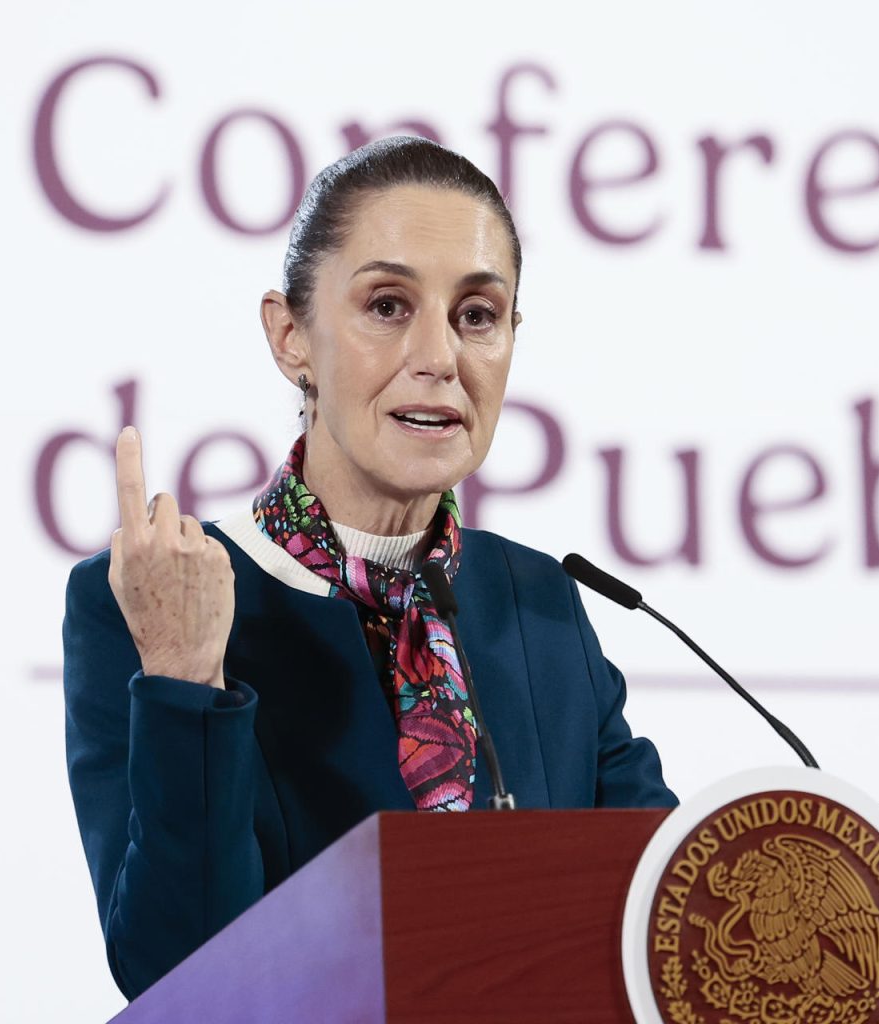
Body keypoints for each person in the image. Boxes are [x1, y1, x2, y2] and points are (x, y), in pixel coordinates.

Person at [62, 136, 676, 1000]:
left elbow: (666, 909)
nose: (440, 358)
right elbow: (179, 978)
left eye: (477, 315)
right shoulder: (157, 600)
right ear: (290, 337)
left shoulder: (539, 605)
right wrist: (185, 676)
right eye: (388, 306)